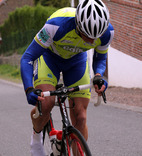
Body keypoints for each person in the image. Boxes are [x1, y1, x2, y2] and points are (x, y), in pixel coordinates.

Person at [20, 0, 114, 155]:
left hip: (76, 61)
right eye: (87, 36)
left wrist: (98, 75)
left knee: (81, 116)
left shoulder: (107, 32)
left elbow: (100, 58)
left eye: (95, 37)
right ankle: (36, 140)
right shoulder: (56, 25)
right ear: (78, 25)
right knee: (47, 103)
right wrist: (29, 89)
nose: (91, 41)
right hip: (49, 57)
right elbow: (27, 58)